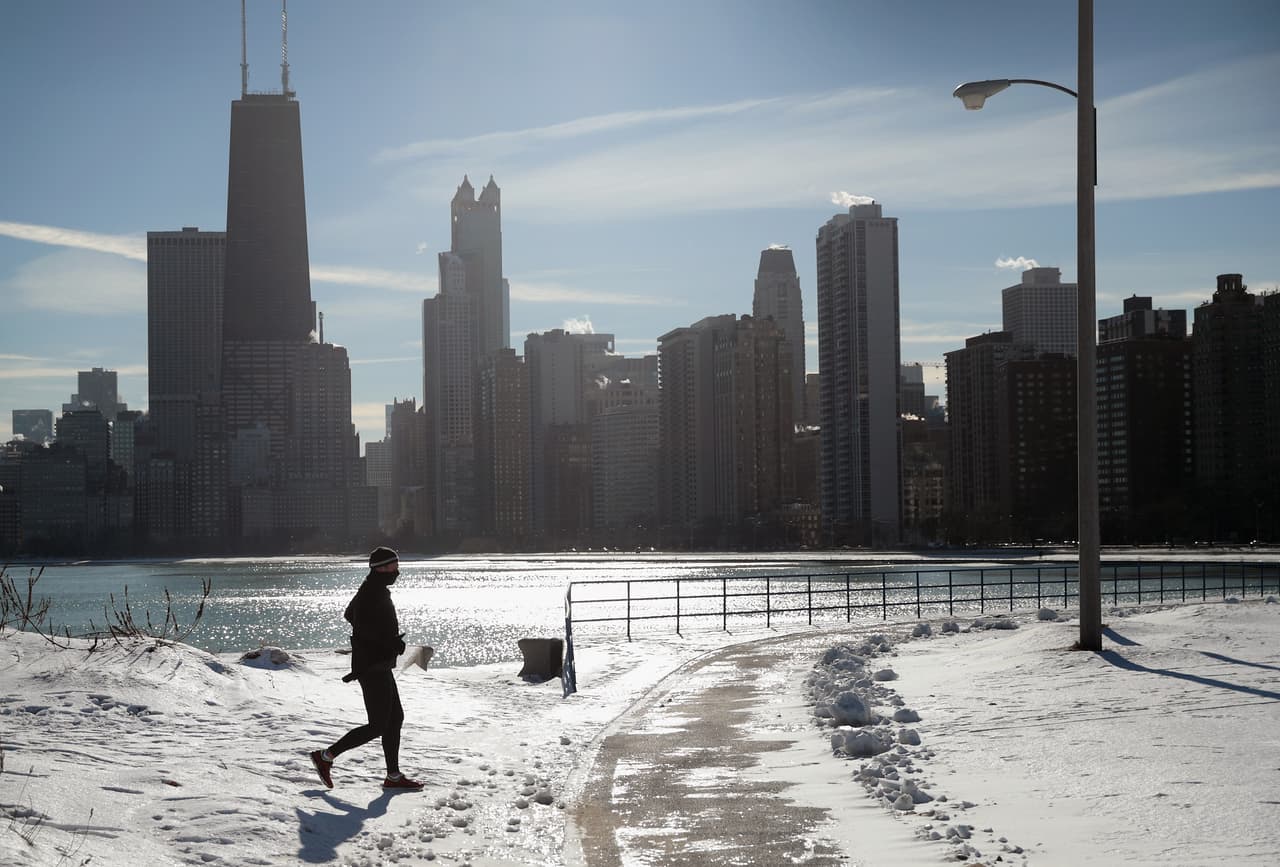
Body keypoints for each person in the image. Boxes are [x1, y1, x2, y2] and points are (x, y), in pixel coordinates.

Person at [310, 547, 423, 790]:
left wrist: (386, 640)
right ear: (380, 568)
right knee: (378, 725)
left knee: (395, 719)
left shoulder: (374, 588)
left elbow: (350, 614)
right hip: (372, 667)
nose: (397, 571)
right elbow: (360, 622)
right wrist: (390, 641)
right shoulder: (373, 592)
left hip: (379, 664)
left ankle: (393, 776)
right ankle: (325, 756)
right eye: (393, 566)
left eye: (397, 565)